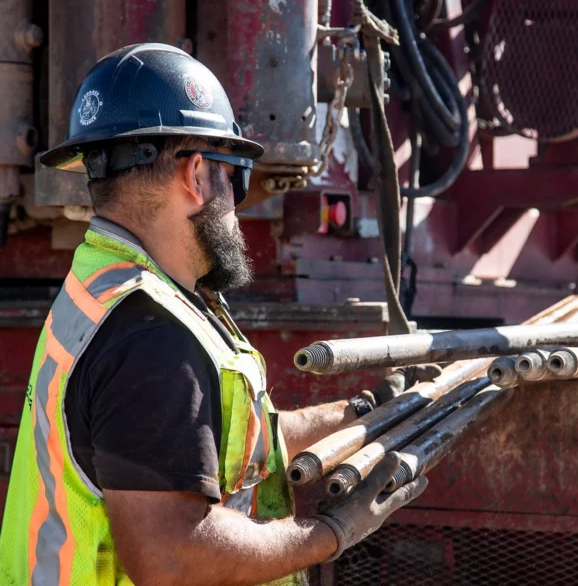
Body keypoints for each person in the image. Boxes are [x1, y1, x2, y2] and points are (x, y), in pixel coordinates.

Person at [0, 43, 437, 585]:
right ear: (198, 175)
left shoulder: (106, 288)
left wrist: (365, 414)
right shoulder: (151, 337)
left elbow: (220, 444)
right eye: (238, 176)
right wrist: (330, 534)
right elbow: (171, 557)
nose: (237, 203)